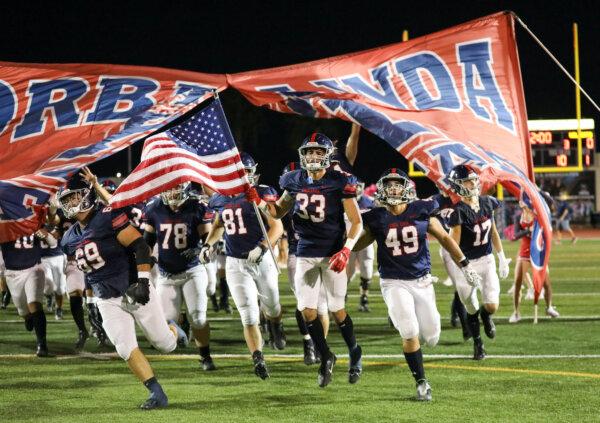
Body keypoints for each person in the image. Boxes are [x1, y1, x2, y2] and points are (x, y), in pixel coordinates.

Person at [59, 175, 186, 410]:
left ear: (87, 197)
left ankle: (173, 329)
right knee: (124, 347)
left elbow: (140, 246)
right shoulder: (68, 239)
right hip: (106, 298)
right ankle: (157, 393)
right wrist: (90, 299)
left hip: (131, 288)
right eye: (66, 200)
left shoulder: (107, 217)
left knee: (165, 344)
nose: (70, 203)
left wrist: (144, 282)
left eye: (74, 197)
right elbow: (88, 269)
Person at [247, 133, 363, 387]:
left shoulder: (339, 181)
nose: (312, 157)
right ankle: (326, 357)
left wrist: (346, 249)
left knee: (336, 310)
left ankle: (354, 351)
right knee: (307, 310)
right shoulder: (293, 180)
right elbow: (278, 210)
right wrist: (261, 203)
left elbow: (356, 221)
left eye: (318, 152)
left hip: (332, 253)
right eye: (309, 152)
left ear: (328, 155)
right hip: (305, 252)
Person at [354, 169, 480, 401]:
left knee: (432, 337)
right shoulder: (377, 217)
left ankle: (408, 323)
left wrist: (465, 265)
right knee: (410, 331)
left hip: (422, 281)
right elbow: (356, 244)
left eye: (397, 185)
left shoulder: (422, 210)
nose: (393, 189)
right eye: (389, 185)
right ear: (382, 189)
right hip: (392, 281)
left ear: (407, 189)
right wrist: (346, 236)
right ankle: (421, 382)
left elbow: (445, 237)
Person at [202, 152, 285, 380]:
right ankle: (257, 357)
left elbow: (277, 227)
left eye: (246, 172)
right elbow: (219, 224)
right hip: (236, 262)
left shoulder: (261, 193)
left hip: (262, 258)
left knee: (272, 306)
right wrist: (208, 244)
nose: (242, 177)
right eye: (238, 173)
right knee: (248, 315)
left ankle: (276, 326)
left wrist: (262, 246)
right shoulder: (220, 197)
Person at [143, 182, 216, 371]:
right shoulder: (154, 208)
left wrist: (200, 249)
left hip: (193, 270)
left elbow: (208, 240)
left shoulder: (197, 207)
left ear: (184, 187)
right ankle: (182, 329)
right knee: (165, 321)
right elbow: (147, 242)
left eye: (175, 187)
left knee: (199, 318)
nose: (171, 191)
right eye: (167, 187)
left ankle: (205, 356)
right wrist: (145, 261)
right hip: (166, 274)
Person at [447, 165, 511, 360]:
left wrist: (501, 258)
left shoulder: (487, 203)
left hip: (486, 260)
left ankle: (486, 317)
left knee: (491, 306)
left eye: (474, 180)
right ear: (458, 186)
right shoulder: (457, 213)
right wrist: (465, 267)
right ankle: (478, 343)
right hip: (466, 264)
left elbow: (493, 232)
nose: (473, 183)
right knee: (471, 307)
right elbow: (452, 247)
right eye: (468, 181)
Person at [280, 161, 329, 365]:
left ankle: (321, 346)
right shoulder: (287, 200)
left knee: (322, 306)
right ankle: (308, 341)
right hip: (298, 254)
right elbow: (275, 222)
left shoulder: (325, 195)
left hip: (323, 252)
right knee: (304, 304)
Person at [509, 191, 560, 323]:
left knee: (547, 283)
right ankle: (516, 312)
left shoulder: (539, 214)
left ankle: (549, 307)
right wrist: (528, 231)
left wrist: (537, 191)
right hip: (524, 252)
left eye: (523, 199)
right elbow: (515, 235)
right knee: (518, 283)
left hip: (538, 252)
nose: (520, 202)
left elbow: (550, 202)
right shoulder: (518, 217)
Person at [429, 189, 471, 342]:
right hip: (448, 247)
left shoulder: (461, 199)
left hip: (466, 246)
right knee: (461, 285)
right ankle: (467, 327)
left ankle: (455, 313)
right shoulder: (434, 200)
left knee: (463, 286)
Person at [0, 233, 49, 357]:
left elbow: (53, 242)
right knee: (23, 311)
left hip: (34, 268)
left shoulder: (34, 221)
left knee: (35, 304)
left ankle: (42, 344)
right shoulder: (6, 223)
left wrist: (46, 235)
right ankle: (28, 317)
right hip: (13, 272)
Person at [346, 180, 375, 312]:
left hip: (366, 242)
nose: (356, 189)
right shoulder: (344, 200)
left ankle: (364, 298)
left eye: (358, 186)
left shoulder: (370, 201)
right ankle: (343, 293)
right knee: (348, 272)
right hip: (349, 241)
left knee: (367, 270)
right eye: (354, 186)